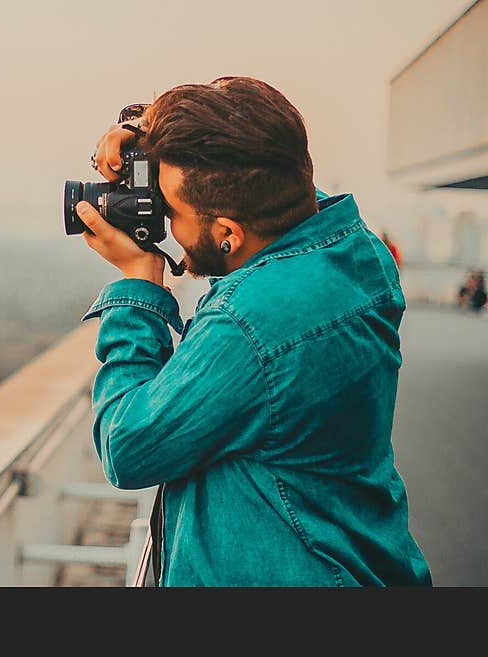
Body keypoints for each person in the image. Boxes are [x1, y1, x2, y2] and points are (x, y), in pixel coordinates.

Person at [78, 77, 431, 586]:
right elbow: (258, 157)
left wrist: (139, 286)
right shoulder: (356, 250)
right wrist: (146, 129)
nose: (161, 219)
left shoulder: (249, 326)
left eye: (171, 210)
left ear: (228, 233)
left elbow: (127, 447)